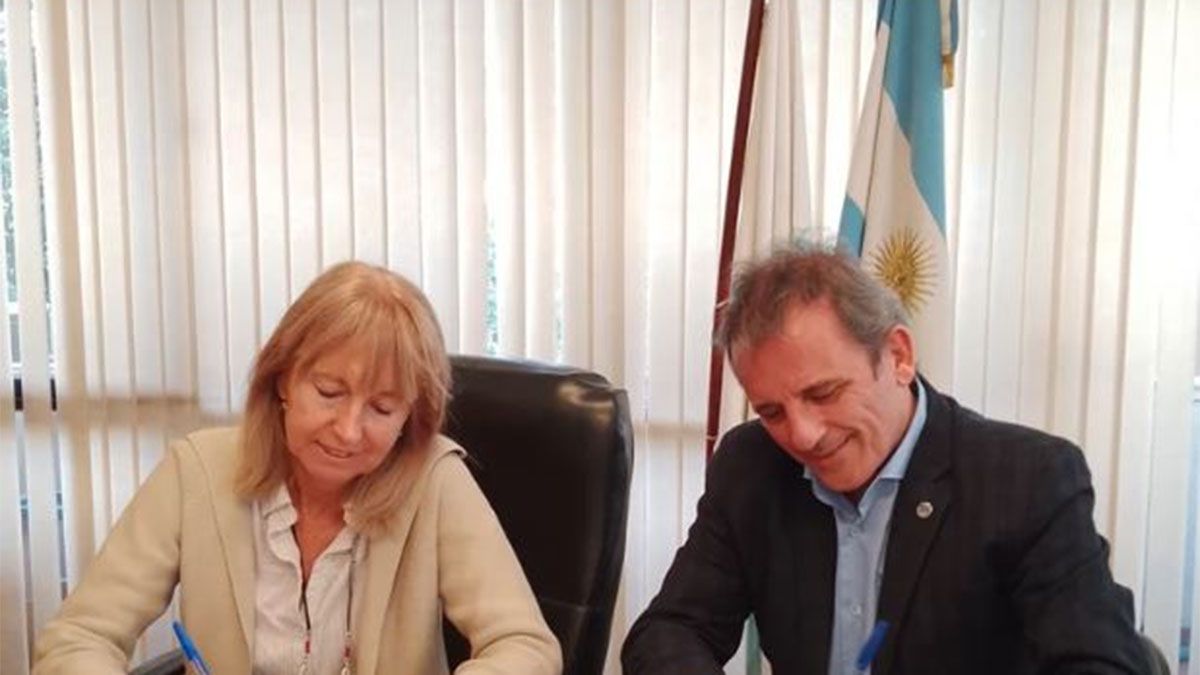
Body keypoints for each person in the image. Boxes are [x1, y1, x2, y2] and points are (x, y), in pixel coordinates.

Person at [622, 243, 1147, 674]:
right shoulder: (752, 465)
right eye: (772, 410)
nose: (802, 434)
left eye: (823, 393)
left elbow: (1100, 664)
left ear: (898, 356)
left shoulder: (1025, 479)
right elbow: (670, 631)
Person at [34, 262, 562, 675]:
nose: (349, 430)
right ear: (283, 379)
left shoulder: (436, 482)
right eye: (330, 392)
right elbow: (81, 637)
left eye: (382, 408)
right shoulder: (196, 471)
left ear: (410, 417)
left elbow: (523, 645)